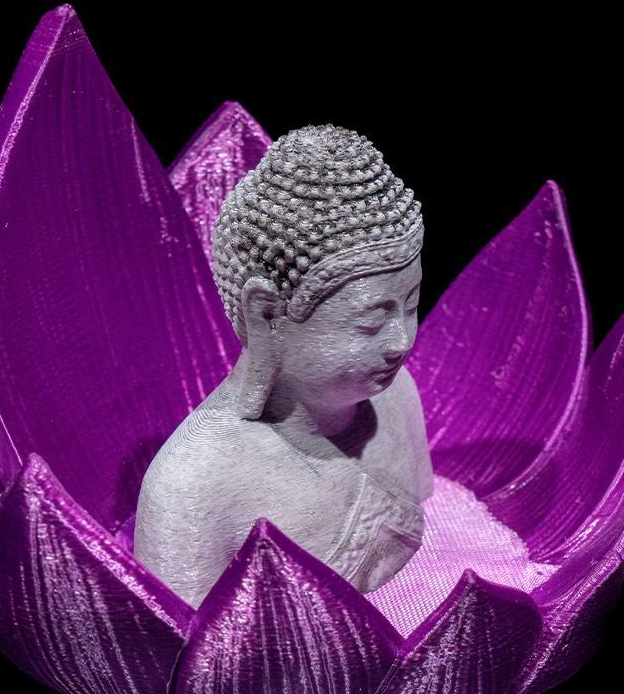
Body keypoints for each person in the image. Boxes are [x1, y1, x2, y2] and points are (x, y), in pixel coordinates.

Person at [135, 125, 432, 607]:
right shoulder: (193, 485)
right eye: (371, 322)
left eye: (412, 304)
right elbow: (185, 637)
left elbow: (432, 514)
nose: (401, 342)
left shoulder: (396, 394)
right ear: (267, 315)